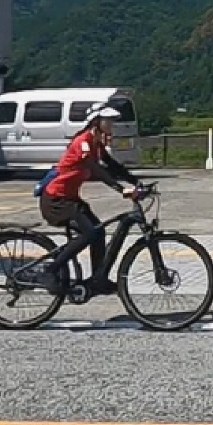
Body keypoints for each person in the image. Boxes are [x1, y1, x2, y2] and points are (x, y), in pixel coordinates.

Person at [39, 105, 141, 291]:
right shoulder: (83, 142)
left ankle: (97, 280)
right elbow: (96, 169)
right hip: (55, 200)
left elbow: (112, 166)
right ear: (96, 121)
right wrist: (120, 189)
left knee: (98, 231)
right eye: (107, 120)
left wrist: (136, 181)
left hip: (69, 199)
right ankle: (50, 270)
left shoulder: (96, 144)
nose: (111, 124)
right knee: (90, 233)